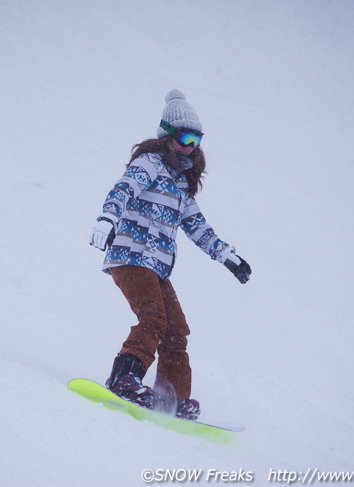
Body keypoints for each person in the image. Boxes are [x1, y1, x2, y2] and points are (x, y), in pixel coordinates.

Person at [88, 89, 252, 421]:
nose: (190, 145)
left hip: (157, 267)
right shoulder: (148, 164)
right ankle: (124, 379)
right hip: (131, 256)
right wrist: (106, 219)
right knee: (154, 319)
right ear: (167, 135)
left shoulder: (180, 186)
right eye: (184, 137)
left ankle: (170, 397)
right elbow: (123, 190)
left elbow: (198, 227)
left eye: (197, 139)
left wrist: (228, 257)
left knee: (177, 330)